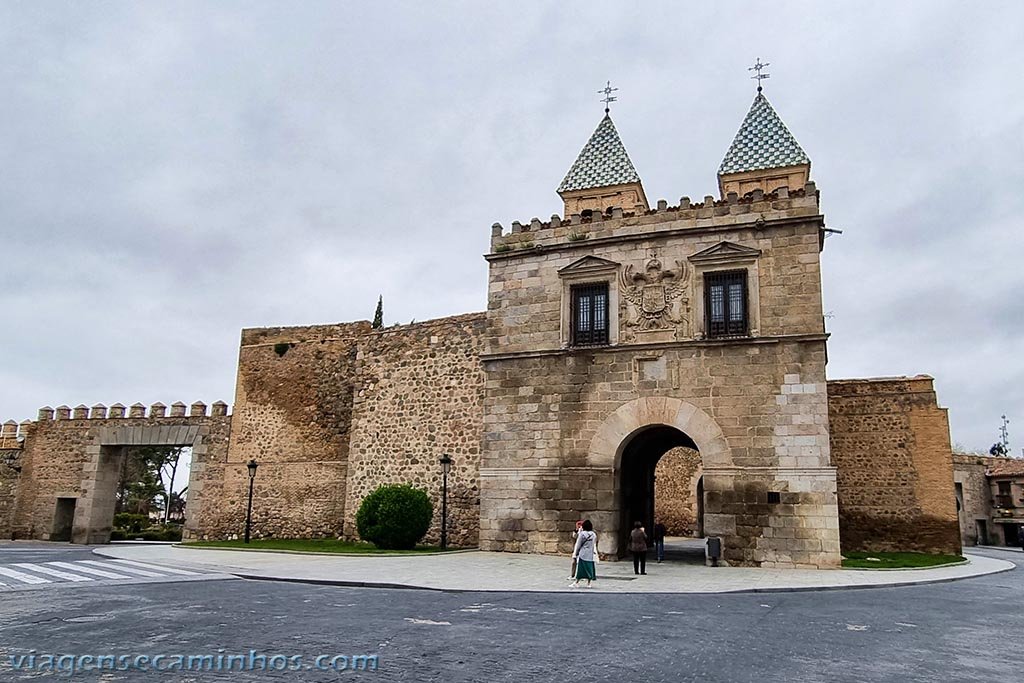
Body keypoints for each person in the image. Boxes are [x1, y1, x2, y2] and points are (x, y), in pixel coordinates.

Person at [572, 519, 598, 587]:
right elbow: (594, 543)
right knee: (590, 568)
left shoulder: (582, 534)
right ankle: (589, 583)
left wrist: (576, 553)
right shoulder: (593, 534)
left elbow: (578, 544)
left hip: (583, 553)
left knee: (581, 569)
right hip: (590, 554)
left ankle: (577, 582)